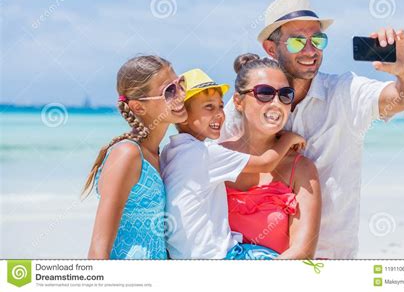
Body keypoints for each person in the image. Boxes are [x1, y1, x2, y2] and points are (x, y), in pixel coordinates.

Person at [219, 0, 404, 258]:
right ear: (271, 49)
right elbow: (210, 171)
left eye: (317, 40)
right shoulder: (246, 105)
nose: (310, 50)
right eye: (296, 41)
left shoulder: (345, 93)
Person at [160, 68, 305, 259]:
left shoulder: (169, 151)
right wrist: (288, 138)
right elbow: (265, 163)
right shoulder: (205, 154)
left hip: (183, 257)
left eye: (220, 106)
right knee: (269, 257)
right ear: (183, 113)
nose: (220, 114)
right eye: (209, 107)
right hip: (219, 257)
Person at [84, 55, 187, 259]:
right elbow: (98, 248)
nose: (181, 95)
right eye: (170, 91)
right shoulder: (127, 154)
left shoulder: (158, 154)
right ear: (139, 107)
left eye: (181, 84)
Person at [223, 54, 322, 259]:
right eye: (265, 93)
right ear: (238, 101)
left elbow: (302, 253)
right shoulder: (216, 157)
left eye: (285, 95)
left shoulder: (301, 169)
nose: (277, 103)